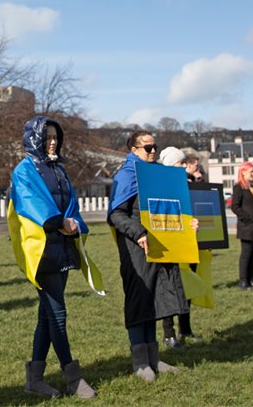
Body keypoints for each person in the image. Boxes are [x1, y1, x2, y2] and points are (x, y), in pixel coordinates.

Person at [8, 116, 97, 399]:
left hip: (63, 248)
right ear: (34, 139)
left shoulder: (59, 169)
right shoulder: (24, 170)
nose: (53, 141)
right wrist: (60, 222)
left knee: (47, 317)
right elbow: (32, 204)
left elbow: (71, 202)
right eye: (47, 137)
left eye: (55, 136)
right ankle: (73, 378)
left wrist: (75, 225)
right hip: (42, 251)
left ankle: (34, 379)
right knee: (58, 314)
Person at [107, 131, 187, 382]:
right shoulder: (127, 175)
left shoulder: (157, 173)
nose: (153, 151)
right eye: (147, 148)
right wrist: (139, 233)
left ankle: (154, 357)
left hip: (159, 246)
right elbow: (116, 214)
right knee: (138, 300)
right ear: (133, 150)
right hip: (136, 249)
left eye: (155, 147)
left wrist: (187, 224)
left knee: (154, 298)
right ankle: (140, 361)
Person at [156, 147, 204, 349]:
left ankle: (185, 328)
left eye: (185, 163)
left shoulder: (186, 184)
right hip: (171, 245)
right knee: (170, 288)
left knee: (188, 287)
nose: (184, 166)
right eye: (180, 163)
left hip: (187, 242)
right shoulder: (161, 185)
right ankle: (169, 333)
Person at [231, 162, 253, 290]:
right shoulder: (239, 187)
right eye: (251, 171)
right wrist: (246, 218)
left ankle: (250, 279)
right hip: (247, 226)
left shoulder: (252, 188)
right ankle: (243, 281)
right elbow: (235, 206)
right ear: (243, 172)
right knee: (246, 253)